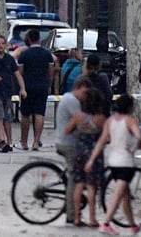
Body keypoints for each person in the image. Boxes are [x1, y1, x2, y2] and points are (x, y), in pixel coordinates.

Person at [86, 94, 141, 235]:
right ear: (130, 107)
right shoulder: (130, 120)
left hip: (113, 160)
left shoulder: (110, 121)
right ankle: (106, 222)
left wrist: (91, 159)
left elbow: (102, 141)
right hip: (125, 162)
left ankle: (132, 224)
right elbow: (139, 137)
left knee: (125, 194)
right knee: (118, 195)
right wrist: (134, 148)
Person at [65, 88, 107, 228]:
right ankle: (92, 218)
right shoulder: (100, 119)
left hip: (79, 152)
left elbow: (67, 130)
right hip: (93, 154)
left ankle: (77, 217)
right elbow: (107, 137)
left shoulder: (79, 117)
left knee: (78, 184)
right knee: (91, 186)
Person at [54, 75, 93, 225]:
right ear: (78, 87)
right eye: (85, 92)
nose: (85, 97)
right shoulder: (71, 101)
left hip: (67, 141)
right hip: (68, 144)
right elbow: (82, 121)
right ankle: (71, 213)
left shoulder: (70, 99)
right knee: (75, 178)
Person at [0, 35, 26, 153]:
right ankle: (2, 140)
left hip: (7, 92)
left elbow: (17, 74)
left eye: (3, 43)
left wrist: (23, 88)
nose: (1, 46)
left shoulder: (10, 59)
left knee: (4, 118)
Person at [17, 29, 56, 151]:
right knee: (39, 113)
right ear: (39, 39)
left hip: (27, 87)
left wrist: (21, 86)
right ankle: (35, 141)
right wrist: (49, 84)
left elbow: (20, 72)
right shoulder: (47, 54)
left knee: (25, 114)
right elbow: (51, 72)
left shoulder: (24, 54)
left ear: (28, 39)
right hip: (42, 86)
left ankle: (24, 142)